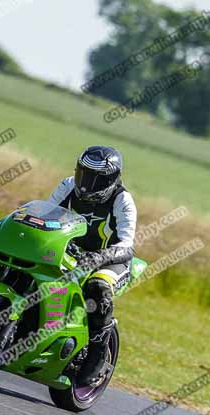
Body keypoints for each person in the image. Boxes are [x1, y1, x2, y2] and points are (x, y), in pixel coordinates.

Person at [47, 146, 137, 386]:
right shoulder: (67, 186)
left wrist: (98, 258)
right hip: (73, 252)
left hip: (111, 261)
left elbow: (128, 245)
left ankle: (97, 353)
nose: (86, 184)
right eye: (84, 174)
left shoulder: (122, 200)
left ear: (111, 179)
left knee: (97, 286)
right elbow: (47, 215)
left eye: (95, 179)